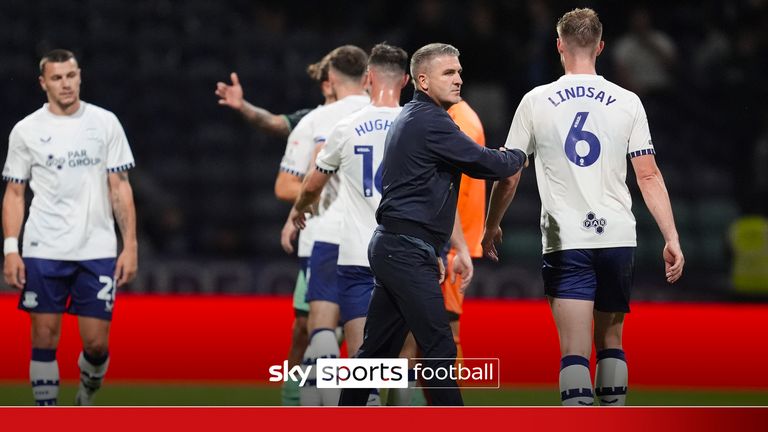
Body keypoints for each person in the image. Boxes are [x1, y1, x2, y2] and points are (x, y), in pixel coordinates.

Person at [482, 8, 684, 406]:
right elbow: (648, 175)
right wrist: (671, 236)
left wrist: (492, 225)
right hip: (617, 237)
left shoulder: (536, 100)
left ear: (559, 45)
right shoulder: (628, 101)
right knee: (611, 341)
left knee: (574, 350)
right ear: (601, 46)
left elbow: (509, 173)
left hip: (566, 237)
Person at [338, 43, 527, 406]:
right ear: (422, 80)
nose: (458, 79)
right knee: (438, 347)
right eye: (448, 73)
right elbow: (487, 164)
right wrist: (519, 153)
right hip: (405, 250)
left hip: (399, 247)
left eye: (458, 72)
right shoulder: (432, 122)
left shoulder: (412, 117)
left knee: (375, 354)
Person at [2, 49, 138, 406]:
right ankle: (48, 417)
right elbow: (14, 193)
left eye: (72, 75)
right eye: (58, 77)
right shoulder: (26, 130)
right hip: (43, 248)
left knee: (96, 344)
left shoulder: (105, 122)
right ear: (43, 83)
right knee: (44, 337)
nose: (66, 83)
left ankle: (86, 393)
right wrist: (11, 249)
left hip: (96, 248)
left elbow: (120, 187)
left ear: (80, 76)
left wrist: (131, 245)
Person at [291, 42, 409, 389]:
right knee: (404, 350)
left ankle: (323, 405)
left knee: (339, 342)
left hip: (348, 245)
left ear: (369, 78)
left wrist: (299, 209)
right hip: (403, 249)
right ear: (405, 80)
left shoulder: (341, 124)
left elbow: (311, 181)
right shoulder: (418, 124)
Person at [284, 45, 370, 406]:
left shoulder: (320, 120)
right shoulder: (396, 116)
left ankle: (302, 404)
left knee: (318, 328)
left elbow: (292, 182)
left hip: (324, 235)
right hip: (375, 237)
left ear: (331, 79)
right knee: (372, 336)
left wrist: (298, 210)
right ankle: (371, 401)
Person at [391, 100, 487, 406]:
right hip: (442, 242)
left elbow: (449, 191)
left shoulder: (456, 122)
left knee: (431, 339)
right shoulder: (454, 119)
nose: (456, 78)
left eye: (456, 72)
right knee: (428, 339)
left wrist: (455, 246)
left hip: (442, 244)